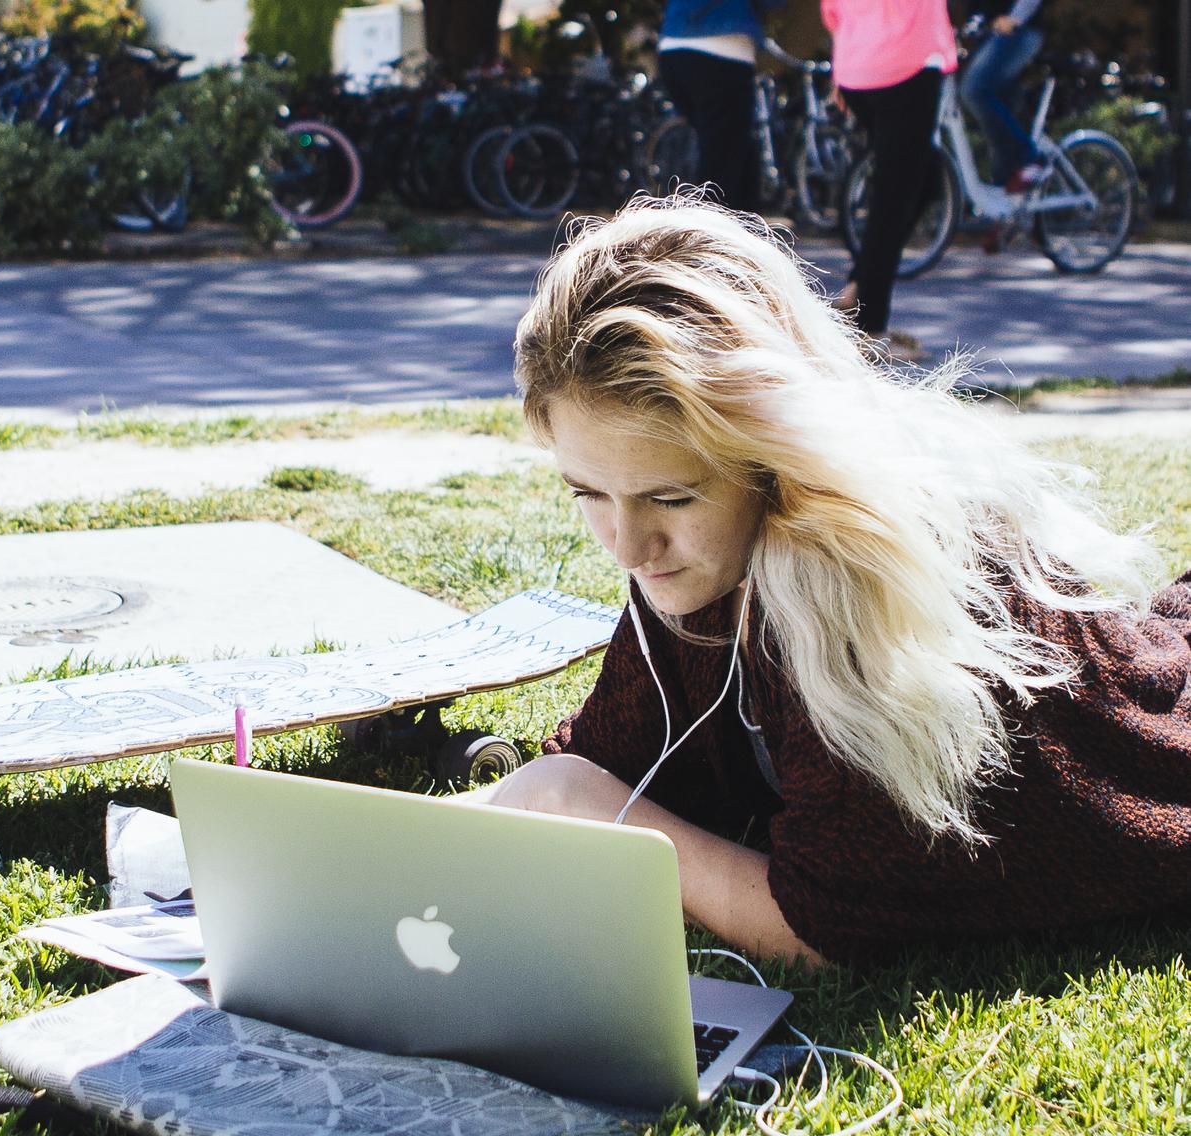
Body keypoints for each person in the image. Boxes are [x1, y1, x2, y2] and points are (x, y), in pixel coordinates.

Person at [478, 196, 1191, 969]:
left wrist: (598, 812)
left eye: (671, 497)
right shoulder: (697, 562)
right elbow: (606, 759)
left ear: (775, 457)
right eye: (589, 494)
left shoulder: (854, 581)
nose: (627, 545)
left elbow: (822, 927)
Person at [821, 0, 957, 357]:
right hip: (906, 63)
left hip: (859, 68)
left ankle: (858, 286)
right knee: (894, 196)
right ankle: (870, 330)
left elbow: (833, 11)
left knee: (924, 179)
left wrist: (840, 69)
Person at [656, 0, 785, 214]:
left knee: (732, 152)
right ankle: (714, 234)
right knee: (725, 159)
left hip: (673, 47)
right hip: (723, 49)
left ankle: (739, 229)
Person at [960, 2, 1046, 191]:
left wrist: (1017, 17)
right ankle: (1005, 194)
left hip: (1018, 30)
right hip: (990, 33)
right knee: (999, 107)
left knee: (975, 89)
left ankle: (1028, 158)